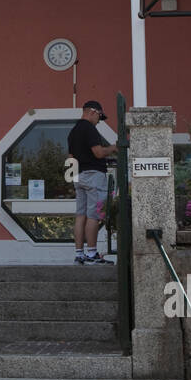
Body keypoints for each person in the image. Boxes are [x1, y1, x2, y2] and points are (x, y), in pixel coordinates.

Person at [67, 100, 117, 265]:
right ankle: (92, 254)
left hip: (78, 176)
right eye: (100, 117)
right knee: (93, 216)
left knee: (80, 215)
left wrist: (73, 178)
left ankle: (79, 254)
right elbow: (98, 153)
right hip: (93, 175)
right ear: (93, 112)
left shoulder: (73, 132)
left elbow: (70, 158)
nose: (99, 121)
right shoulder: (89, 129)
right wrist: (113, 148)